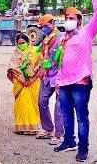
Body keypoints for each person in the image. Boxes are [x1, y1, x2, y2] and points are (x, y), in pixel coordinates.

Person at [53, 0, 97, 162]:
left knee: (82, 116)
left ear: (79, 21)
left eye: (72, 17)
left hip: (81, 82)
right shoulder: (63, 38)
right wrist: (58, 82)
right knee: (66, 113)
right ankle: (68, 141)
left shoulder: (87, 33)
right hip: (64, 83)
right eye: (67, 17)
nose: (69, 20)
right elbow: (60, 63)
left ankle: (83, 149)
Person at [34, 14, 64, 145]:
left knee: (59, 106)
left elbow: (64, 58)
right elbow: (41, 55)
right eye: (42, 27)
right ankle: (48, 129)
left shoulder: (61, 37)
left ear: (53, 23)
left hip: (59, 76)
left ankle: (59, 134)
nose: (44, 28)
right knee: (42, 101)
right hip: (46, 76)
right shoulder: (45, 39)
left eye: (46, 26)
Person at [7, 33, 42, 135]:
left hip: (33, 82)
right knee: (21, 105)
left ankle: (34, 127)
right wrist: (22, 80)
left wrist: (32, 79)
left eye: (23, 43)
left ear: (28, 42)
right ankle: (21, 127)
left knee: (33, 104)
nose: (22, 45)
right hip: (20, 83)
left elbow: (40, 65)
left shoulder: (35, 51)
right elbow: (12, 69)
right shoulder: (15, 54)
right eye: (19, 43)